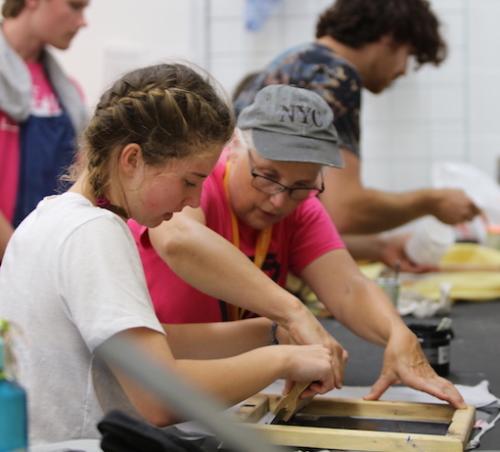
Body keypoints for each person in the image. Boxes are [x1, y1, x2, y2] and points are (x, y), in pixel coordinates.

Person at [0, 64, 339, 444]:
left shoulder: (46, 218)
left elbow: (145, 347)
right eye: (190, 181)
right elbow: (158, 396)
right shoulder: (94, 232)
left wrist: (273, 333)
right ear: (131, 160)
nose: (194, 200)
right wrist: (282, 361)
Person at [130, 84, 465, 412]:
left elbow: (349, 287)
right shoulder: (195, 186)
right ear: (234, 145)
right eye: (266, 175)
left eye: (302, 186)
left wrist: (398, 334)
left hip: (230, 395)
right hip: (150, 383)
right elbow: (178, 239)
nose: (278, 200)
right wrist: (292, 315)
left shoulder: (302, 209)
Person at [234, 0, 481, 235]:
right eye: (409, 54)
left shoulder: (297, 62)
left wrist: (381, 248)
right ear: (390, 38)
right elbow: (344, 210)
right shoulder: (335, 75)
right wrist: (430, 202)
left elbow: (312, 218)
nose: (404, 70)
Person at [0, 0, 89, 261]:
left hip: (43, 258)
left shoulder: (68, 92)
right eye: (75, 6)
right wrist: (19, 257)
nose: (83, 21)